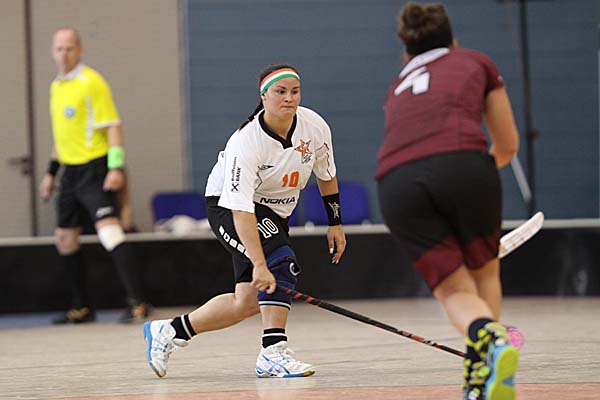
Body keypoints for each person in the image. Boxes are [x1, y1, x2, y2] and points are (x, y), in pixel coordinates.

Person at [143, 63, 347, 379]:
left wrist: (336, 223)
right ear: (264, 96)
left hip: (274, 212)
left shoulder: (314, 126)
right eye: (281, 92)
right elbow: (241, 211)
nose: (289, 98)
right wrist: (260, 264)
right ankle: (272, 354)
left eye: (295, 92)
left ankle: (169, 331)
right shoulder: (246, 142)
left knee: (248, 302)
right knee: (280, 264)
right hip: (229, 205)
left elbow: (327, 174)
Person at [375, 3, 520, 400]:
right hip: (464, 162)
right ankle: (487, 361)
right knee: (484, 274)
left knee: (454, 291)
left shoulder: (397, 84)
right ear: (453, 42)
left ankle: (481, 367)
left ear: (407, 52)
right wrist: (476, 175)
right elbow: (507, 145)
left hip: (396, 182)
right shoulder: (475, 61)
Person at [39, 28, 150, 324]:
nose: (64, 54)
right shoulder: (56, 87)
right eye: (59, 48)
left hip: (94, 167)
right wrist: (50, 173)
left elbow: (113, 126)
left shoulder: (92, 82)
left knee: (110, 232)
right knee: (65, 239)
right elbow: (62, 138)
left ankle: (138, 302)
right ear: (53, 52)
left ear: (79, 50)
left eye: (69, 48)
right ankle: (81, 307)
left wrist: (115, 167)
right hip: (69, 172)